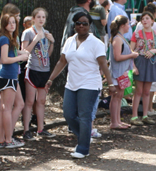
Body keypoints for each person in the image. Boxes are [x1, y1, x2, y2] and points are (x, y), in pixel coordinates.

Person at [45, 11, 117, 159]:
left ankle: (83, 148)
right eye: (78, 23)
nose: (82, 26)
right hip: (72, 83)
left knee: (84, 116)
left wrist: (110, 84)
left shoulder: (96, 43)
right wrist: (50, 79)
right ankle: (85, 135)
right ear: (74, 25)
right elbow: (62, 61)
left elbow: (103, 64)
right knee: (68, 114)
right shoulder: (70, 41)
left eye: (85, 23)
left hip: (89, 84)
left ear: (89, 25)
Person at [21, 8, 55, 140]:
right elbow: (24, 52)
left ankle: (40, 129)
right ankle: (26, 130)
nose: (41, 19)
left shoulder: (46, 33)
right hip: (32, 69)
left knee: (41, 101)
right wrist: (35, 40)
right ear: (33, 18)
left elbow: (48, 54)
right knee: (29, 101)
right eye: (38, 17)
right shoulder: (28, 33)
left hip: (45, 70)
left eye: (43, 17)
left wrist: (52, 42)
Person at [0, 13, 28, 148]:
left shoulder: (11, 39)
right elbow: (3, 59)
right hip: (7, 76)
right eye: (9, 23)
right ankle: (7, 139)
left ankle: (3, 138)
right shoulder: (4, 39)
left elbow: (12, 54)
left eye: (14, 22)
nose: (12, 25)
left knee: (18, 104)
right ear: (4, 24)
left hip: (11, 76)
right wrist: (19, 58)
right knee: (6, 109)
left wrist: (21, 53)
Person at [130, 11, 156, 126]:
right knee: (138, 90)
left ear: (152, 21)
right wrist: (133, 66)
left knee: (147, 91)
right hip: (140, 62)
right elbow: (131, 51)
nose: (145, 20)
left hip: (151, 62)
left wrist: (153, 51)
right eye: (143, 18)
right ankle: (134, 115)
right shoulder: (137, 34)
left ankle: (145, 115)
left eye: (147, 18)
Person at [109, 15, 138, 130]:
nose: (129, 26)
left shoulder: (121, 37)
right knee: (116, 96)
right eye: (127, 24)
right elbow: (117, 57)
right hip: (117, 72)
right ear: (122, 25)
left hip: (123, 72)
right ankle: (114, 122)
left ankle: (118, 120)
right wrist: (132, 55)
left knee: (120, 96)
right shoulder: (117, 39)